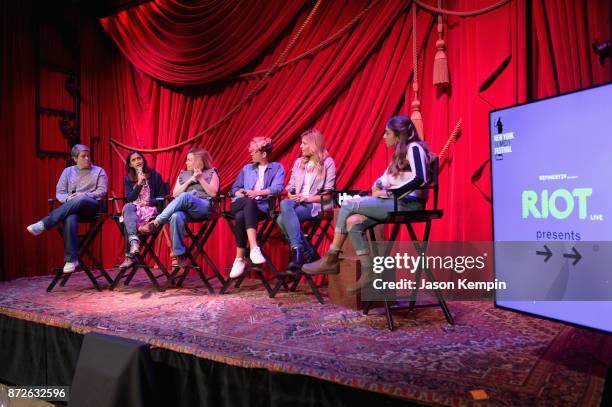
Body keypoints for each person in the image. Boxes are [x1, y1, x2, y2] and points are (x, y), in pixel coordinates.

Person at [302, 115, 433, 293]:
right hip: (397, 202)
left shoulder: (414, 148)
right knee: (353, 222)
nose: (384, 137)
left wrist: (389, 193)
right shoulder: (400, 153)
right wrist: (379, 185)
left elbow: (421, 178)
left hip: (409, 205)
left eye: (387, 133)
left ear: (398, 134)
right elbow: (386, 178)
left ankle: (331, 258)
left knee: (348, 205)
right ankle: (368, 270)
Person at [27, 144, 108, 273]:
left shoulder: (99, 171)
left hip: (93, 207)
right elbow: (60, 192)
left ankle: (44, 223)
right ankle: (71, 259)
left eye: (88, 155)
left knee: (80, 199)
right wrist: (67, 199)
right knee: (70, 216)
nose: (87, 158)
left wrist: (84, 194)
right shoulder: (67, 171)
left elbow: (102, 191)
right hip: (73, 208)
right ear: (75, 159)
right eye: (83, 156)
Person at [140, 147, 219, 268]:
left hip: (204, 207)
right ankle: (179, 255)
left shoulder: (212, 172)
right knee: (176, 216)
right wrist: (189, 181)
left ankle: (156, 222)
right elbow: (175, 194)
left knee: (185, 196)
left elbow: (213, 193)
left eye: (189, 160)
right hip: (187, 210)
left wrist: (200, 178)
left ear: (198, 162)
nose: (186, 163)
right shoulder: (183, 175)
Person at [277, 129, 336, 272]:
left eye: (304, 144)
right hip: (297, 203)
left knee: (280, 220)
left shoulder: (327, 163)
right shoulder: (298, 163)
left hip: (316, 204)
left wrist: (306, 198)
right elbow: (290, 187)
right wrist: (292, 195)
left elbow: (328, 195)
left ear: (313, 145)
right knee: (285, 202)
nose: (300, 146)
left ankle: (302, 253)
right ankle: (305, 252)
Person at [227, 137, 285, 278]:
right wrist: (239, 192)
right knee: (248, 202)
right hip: (240, 203)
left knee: (241, 216)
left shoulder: (277, 168)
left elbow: (277, 188)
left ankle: (239, 259)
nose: (250, 154)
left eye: (253, 151)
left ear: (263, 154)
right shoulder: (247, 169)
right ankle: (253, 247)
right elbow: (234, 188)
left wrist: (256, 193)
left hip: (261, 207)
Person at [118, 151, 167, 268]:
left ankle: (130, 256)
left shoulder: (154, 175)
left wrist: (148, 202)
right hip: (134, 210)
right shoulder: (128, 179)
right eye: (133, 160)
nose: (137, 162)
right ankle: (134, 242)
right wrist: (139, 184)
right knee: (128, 207)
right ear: (130, 165)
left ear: (143, 160)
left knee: (126, 220)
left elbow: (162, 196)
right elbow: (130, 199)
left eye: (139, 158)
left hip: (151, 211)